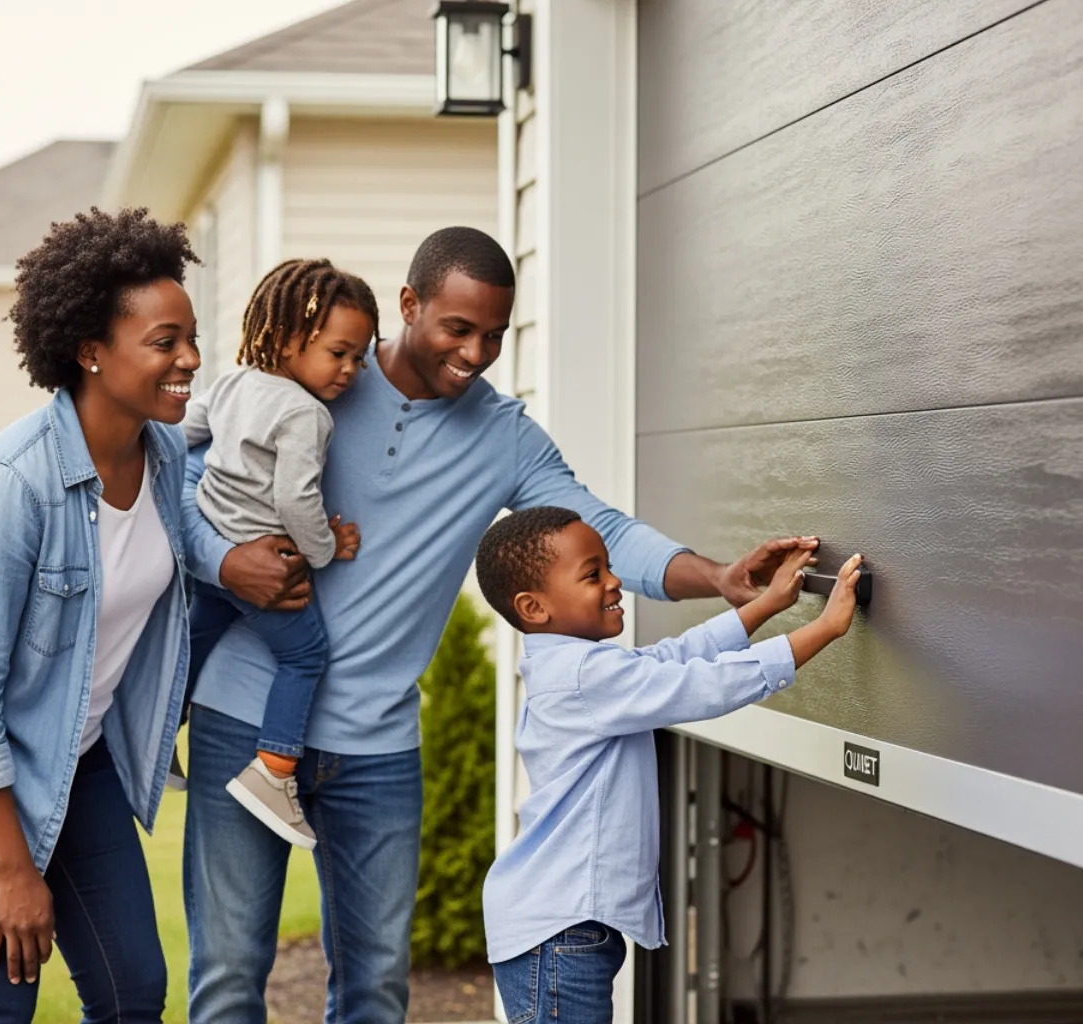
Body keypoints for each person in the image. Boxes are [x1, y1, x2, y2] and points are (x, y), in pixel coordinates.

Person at [179, 225, 820, 1023]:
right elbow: (188, 478)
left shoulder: (503, 433)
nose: (477, 352)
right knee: (230, 976)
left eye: (494, 335)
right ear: (409, 305)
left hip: (376, 745)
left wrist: (716, 577)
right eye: (458, 328)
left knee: (376, 989)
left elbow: (603, 526)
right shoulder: (323, 379)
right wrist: (222, 562)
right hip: (245, 711)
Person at [0, 207, 201, 1023]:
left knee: (132, 994)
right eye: (165, 343)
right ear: (91, 351)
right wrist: (12, 871)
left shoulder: (163, 457)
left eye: (191, 336)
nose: (190, 359)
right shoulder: (9, 488)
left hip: (74, 757)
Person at [473, 507, 864, 1021]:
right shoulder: (583, 676)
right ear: (534, 606)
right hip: (561, 931)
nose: (615, 582)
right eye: (593, 574)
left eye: (609, 566)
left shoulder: (579, 667)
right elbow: (703, 684)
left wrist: (767, 604)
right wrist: (824, 629)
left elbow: (675, 657)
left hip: (563, 927)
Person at [180, 258, 376, 849]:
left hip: (216, 561)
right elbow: (296, 499)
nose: (350, 369)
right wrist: (324, 550)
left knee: (194, 638)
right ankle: (274, 769)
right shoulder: (305, 414)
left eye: (359, 356)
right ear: (290, 340)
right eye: (338, 353)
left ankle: (158, 734)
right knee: (307, 656)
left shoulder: (235, 382)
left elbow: (184, 431)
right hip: (266, 568)